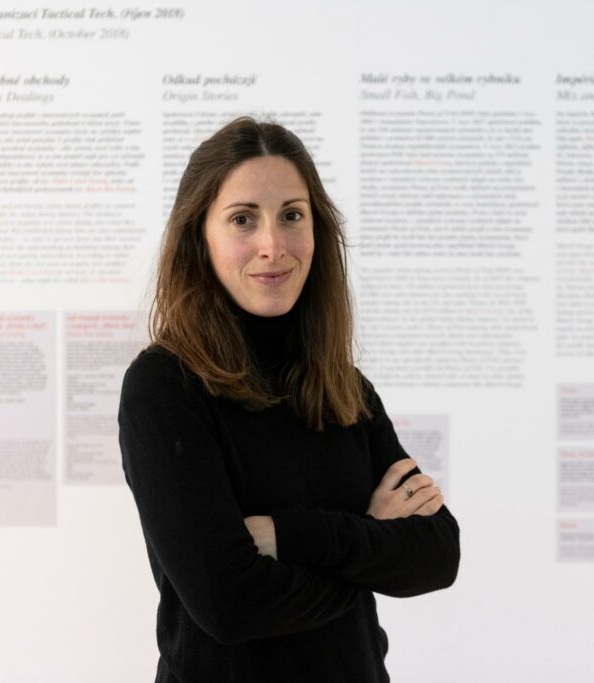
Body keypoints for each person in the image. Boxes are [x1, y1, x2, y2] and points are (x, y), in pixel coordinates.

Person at [118, 115, 460, 682]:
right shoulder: (165, 388)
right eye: (243, 219)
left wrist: (288, 536)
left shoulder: (343, 386)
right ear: (199, 236)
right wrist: (369, 538)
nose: (272, 245)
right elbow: (230, 605)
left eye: (291, 216)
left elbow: (436, 553)